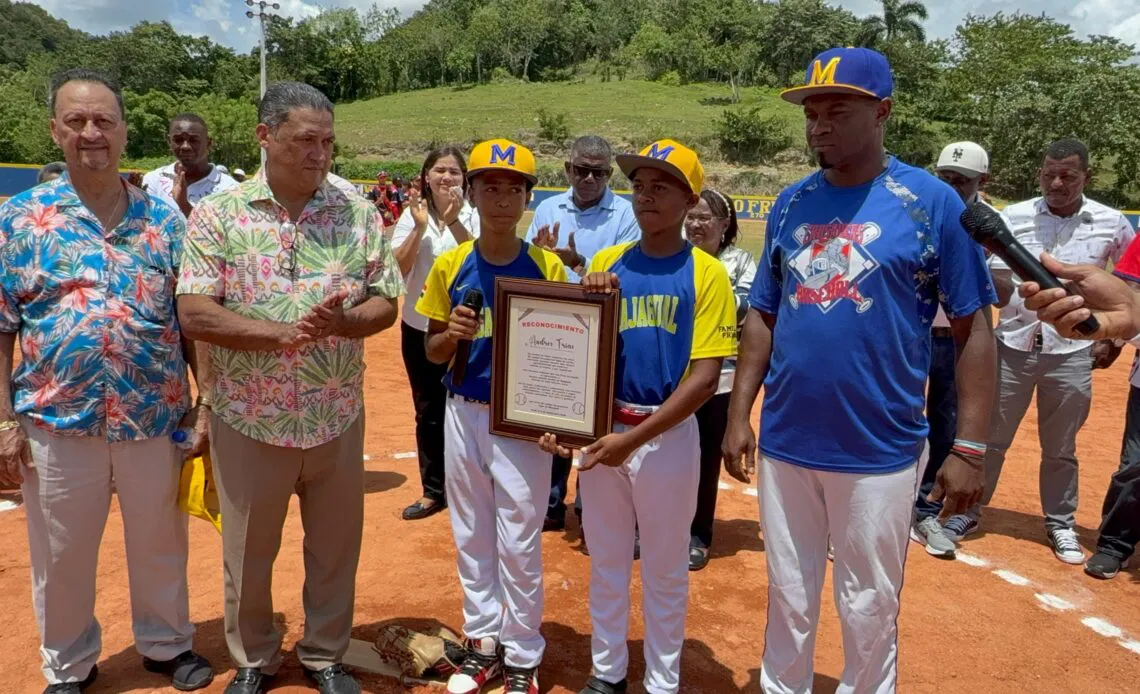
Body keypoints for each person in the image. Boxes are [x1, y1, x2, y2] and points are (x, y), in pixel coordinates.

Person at [722, 48, 997, 693]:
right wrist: (740, 414)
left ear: (882, 113)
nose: (818, 124)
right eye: (811, 112)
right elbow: (763, 313)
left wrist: (972, 447)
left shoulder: (931, 204)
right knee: (789, 594)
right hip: (788, 441)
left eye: (835, 110)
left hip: (881, 447)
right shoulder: (791, 204)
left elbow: (973, 328)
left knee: (868, 601)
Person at [176, 81, 404, 694]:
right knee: (248, 554)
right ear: (265, 137)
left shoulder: (357, 213)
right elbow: (194, 312)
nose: (320, 153)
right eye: (306, 140)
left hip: (335, 414)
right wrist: (275, 336)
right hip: (249, 416)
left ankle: (325, 652)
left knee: (335, 549)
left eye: (327, 141)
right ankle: (254, 658)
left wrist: (345, 322)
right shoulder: (219, 215)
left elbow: (387, 302)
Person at [0, 68, 213, 694]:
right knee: (62, 553)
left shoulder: (166, 223)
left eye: (103, 121)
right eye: (76, 121)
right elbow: (1, 327)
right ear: (55, 131)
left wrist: (203, 408)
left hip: (155, 413)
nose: (91, 132)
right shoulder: (18, 220)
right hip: (57, 419)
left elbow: (192, 323)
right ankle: (69, 663)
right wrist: (5, 422)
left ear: (123, 132)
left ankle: (166, 644)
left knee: (159, 541)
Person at [541, 139, 737, 694]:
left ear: (689, 198)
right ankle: (608, 673)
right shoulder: (605, 264)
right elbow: (574, 353)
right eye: (640, 185)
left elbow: (703, 381)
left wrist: (631, 441)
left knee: (665, 567)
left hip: (667, 436)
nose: (647, 195)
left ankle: (662, 680)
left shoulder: (707, 274)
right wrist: (566, 421)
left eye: (662, 186)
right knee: (604, 560)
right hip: (606, 431)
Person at [416, 139, 565, 694]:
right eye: (490, 187)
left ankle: (523, 650)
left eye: (513, 188)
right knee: (471, 530)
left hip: (521, 422)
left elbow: (569, 351)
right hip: (463, 408)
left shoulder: (547, 266)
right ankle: (482, 643)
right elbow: (431, 349)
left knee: (520, 538)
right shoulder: (453, 262)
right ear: (473, 194)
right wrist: (450, 336)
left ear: (528, 197)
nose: (501, 198)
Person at [947, 139, 1136, 565]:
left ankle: (1060, 522)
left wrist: (1115, 337)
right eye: (1049, 173)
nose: (1056, 182)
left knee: (1061, 446)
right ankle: (969, 511)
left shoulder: (1112, 222)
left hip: (1071, 352)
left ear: (1086, 176)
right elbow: (994, 283)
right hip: (1011, 345)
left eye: (1067, 175)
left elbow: (1129, 285)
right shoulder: (1010, 218)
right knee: (991, 440)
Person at [526, 135, 639, 535]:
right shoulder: (547, 208)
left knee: (599, 418)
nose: (589, 178)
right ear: (567, 169)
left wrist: (578, 263)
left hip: (607, 329)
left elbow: (625, 271)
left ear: (609, 174)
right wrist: (539, 255)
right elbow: (532, 268)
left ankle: (592, 505)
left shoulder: (626, 214)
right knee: (556, 412)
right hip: (558, 327)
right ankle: (553, 502)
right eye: (581, 170)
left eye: (599, 172)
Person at [909, 141, 992, 559]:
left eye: (960, 181)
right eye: (945, 178)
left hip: (957, 342)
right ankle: (890, 502)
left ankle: (926, 508)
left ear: (982, 182)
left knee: (945, 422)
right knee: (902, 417)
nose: (951, 186)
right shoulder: (921, 211)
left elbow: (1000, 293)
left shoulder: (992, 225)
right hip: (914, 335)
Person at [391, 147, 479, 521]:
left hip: (466, 330)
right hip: (419, 325)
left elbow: (478, 258)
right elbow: (397, 268)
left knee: (468, 410)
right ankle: (433, 490)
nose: (446, 178)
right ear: (426, 176)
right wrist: (421, 226)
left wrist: (455, 221)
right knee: (428, 409)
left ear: (464, 179)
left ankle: (470, 490)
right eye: (439, 170)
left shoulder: (474, 216)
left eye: (454, 172)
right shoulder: (412, 218)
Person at [682, 188, 754, 571]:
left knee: (706, 457)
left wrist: (700, 298)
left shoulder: (741, 262)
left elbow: (742, 308)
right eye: (691, 217)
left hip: (721, 377)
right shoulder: (676, 258)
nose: (695, 224)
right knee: (665, 455)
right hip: (675, 378)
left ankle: (698, 532)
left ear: (724, 224)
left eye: (704, 218)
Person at [142, 113, 238, 218]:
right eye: (178, 140)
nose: (185, 146)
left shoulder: (230, 189)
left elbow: (221, 232)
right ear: (169, 142)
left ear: (209, 144)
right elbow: (147, 226)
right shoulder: (153, 180)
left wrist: (183, 204)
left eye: (193, 140)